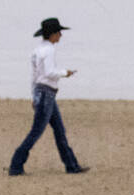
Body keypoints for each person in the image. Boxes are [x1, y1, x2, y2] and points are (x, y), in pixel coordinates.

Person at [8, 17, 89, 176]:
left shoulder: (37, 50)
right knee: (38, 132)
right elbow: (49, 73)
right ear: (52, 34)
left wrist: (33, 95)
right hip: (47, 95)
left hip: (41, 93)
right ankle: (16, 165)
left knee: (59, 130)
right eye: (59, 32)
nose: (60, 35)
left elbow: (35, 76)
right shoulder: (49, 50)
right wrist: (65, 73)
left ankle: (72, 165)